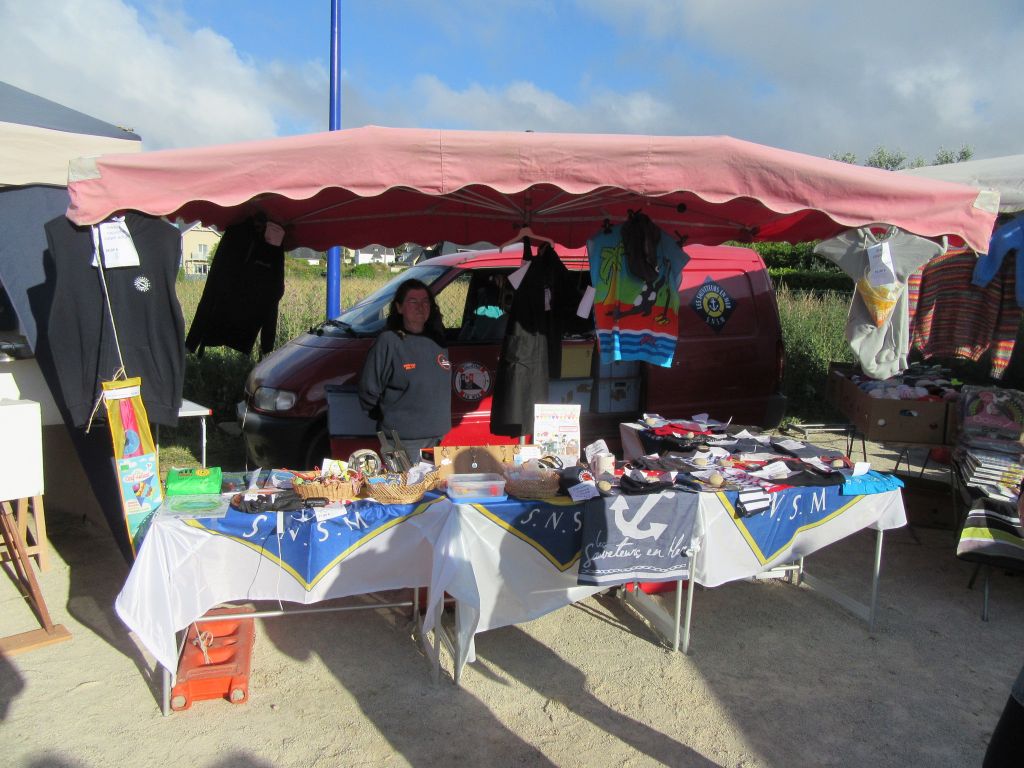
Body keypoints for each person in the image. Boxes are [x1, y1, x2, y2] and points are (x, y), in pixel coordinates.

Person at [358, 279, 452, 467]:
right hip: (402, 441)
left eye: (425, 301)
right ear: (399, 308)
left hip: (436, 439)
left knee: (429, 493)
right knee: (406, 492)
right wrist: (390, 419)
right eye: (413, 302)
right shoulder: (388, 341)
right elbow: (369, 391)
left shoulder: (438, 341)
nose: (420, 307)